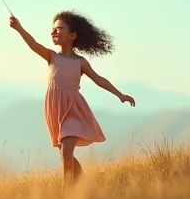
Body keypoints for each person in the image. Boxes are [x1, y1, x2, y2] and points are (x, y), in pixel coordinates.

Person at [9, 11, 135, 186]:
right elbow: (33, 44)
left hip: (73, 111)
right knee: (64, 154)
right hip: (55, 110)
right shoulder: (51, 56)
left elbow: (98, 79)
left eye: (59, 28)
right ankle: (86, 185)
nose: (54, 31)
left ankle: (66, 194)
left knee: (66, 154)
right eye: (53, 29)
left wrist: (120, 95)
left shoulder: (80, 62)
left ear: (72, 35)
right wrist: (19, 28)